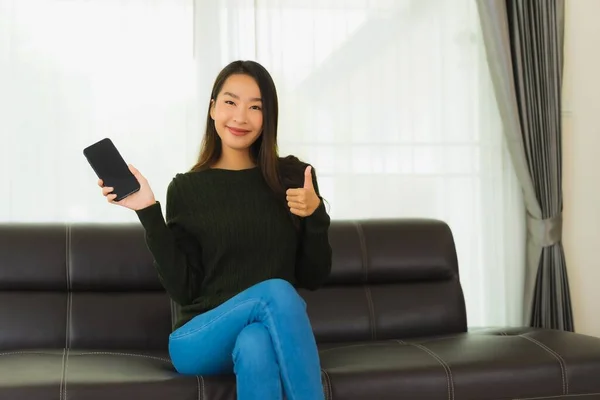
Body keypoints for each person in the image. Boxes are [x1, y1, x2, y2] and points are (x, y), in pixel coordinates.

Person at [97, 60, 332, 400]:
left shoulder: (294, 178)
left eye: (255, 107)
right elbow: (184, 289)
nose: (240, 117)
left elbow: (314, 276)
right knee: (278, 293)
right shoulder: (187, 189)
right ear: (212, 108)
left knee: (256, 343)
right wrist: (149, 211)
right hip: (199, 337)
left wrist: (315, 213)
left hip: (261, 330)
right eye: (230, 102)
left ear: (269, 117)